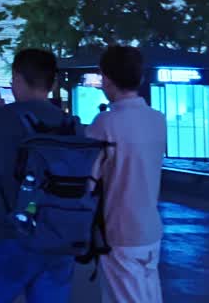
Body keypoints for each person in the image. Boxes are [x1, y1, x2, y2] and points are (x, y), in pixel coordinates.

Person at [0, 49, 74, 303]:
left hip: (10, 232)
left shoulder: (1, 117)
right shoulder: (68, 122)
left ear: (17, 77)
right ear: (52, 83)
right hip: (59, 235)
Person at [86, 46, 167, 303]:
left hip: (119, 230)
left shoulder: (105, 123)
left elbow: (88, 179)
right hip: (150, 227)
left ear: (106, 78)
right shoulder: (157, 119)